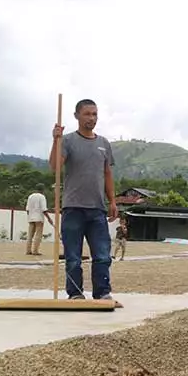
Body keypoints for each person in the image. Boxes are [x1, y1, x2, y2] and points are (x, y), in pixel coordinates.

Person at [50, 98, 119, 300]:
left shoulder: (103, 144)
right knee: (73, 257)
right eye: (87, 114)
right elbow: (55, 167)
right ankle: (75, 294)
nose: (92, 118)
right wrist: (56, 140)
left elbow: (107, 174)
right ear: (77, 116)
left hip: (97, 208)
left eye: (94, 114)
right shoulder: (68, 141)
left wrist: (112, 201)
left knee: (102, 256)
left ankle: (102, 293)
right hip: (73, 208)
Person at [24, 190, 53, 255]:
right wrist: (49, 218)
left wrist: (29, 217)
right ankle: (35, 251)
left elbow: (27, 209)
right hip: (39, 218)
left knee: (30, 235)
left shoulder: (30, 196)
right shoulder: (42, 197)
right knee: (38, 235)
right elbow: (44, 209)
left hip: (31, 217)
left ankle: (28, 250)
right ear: (42, 190)